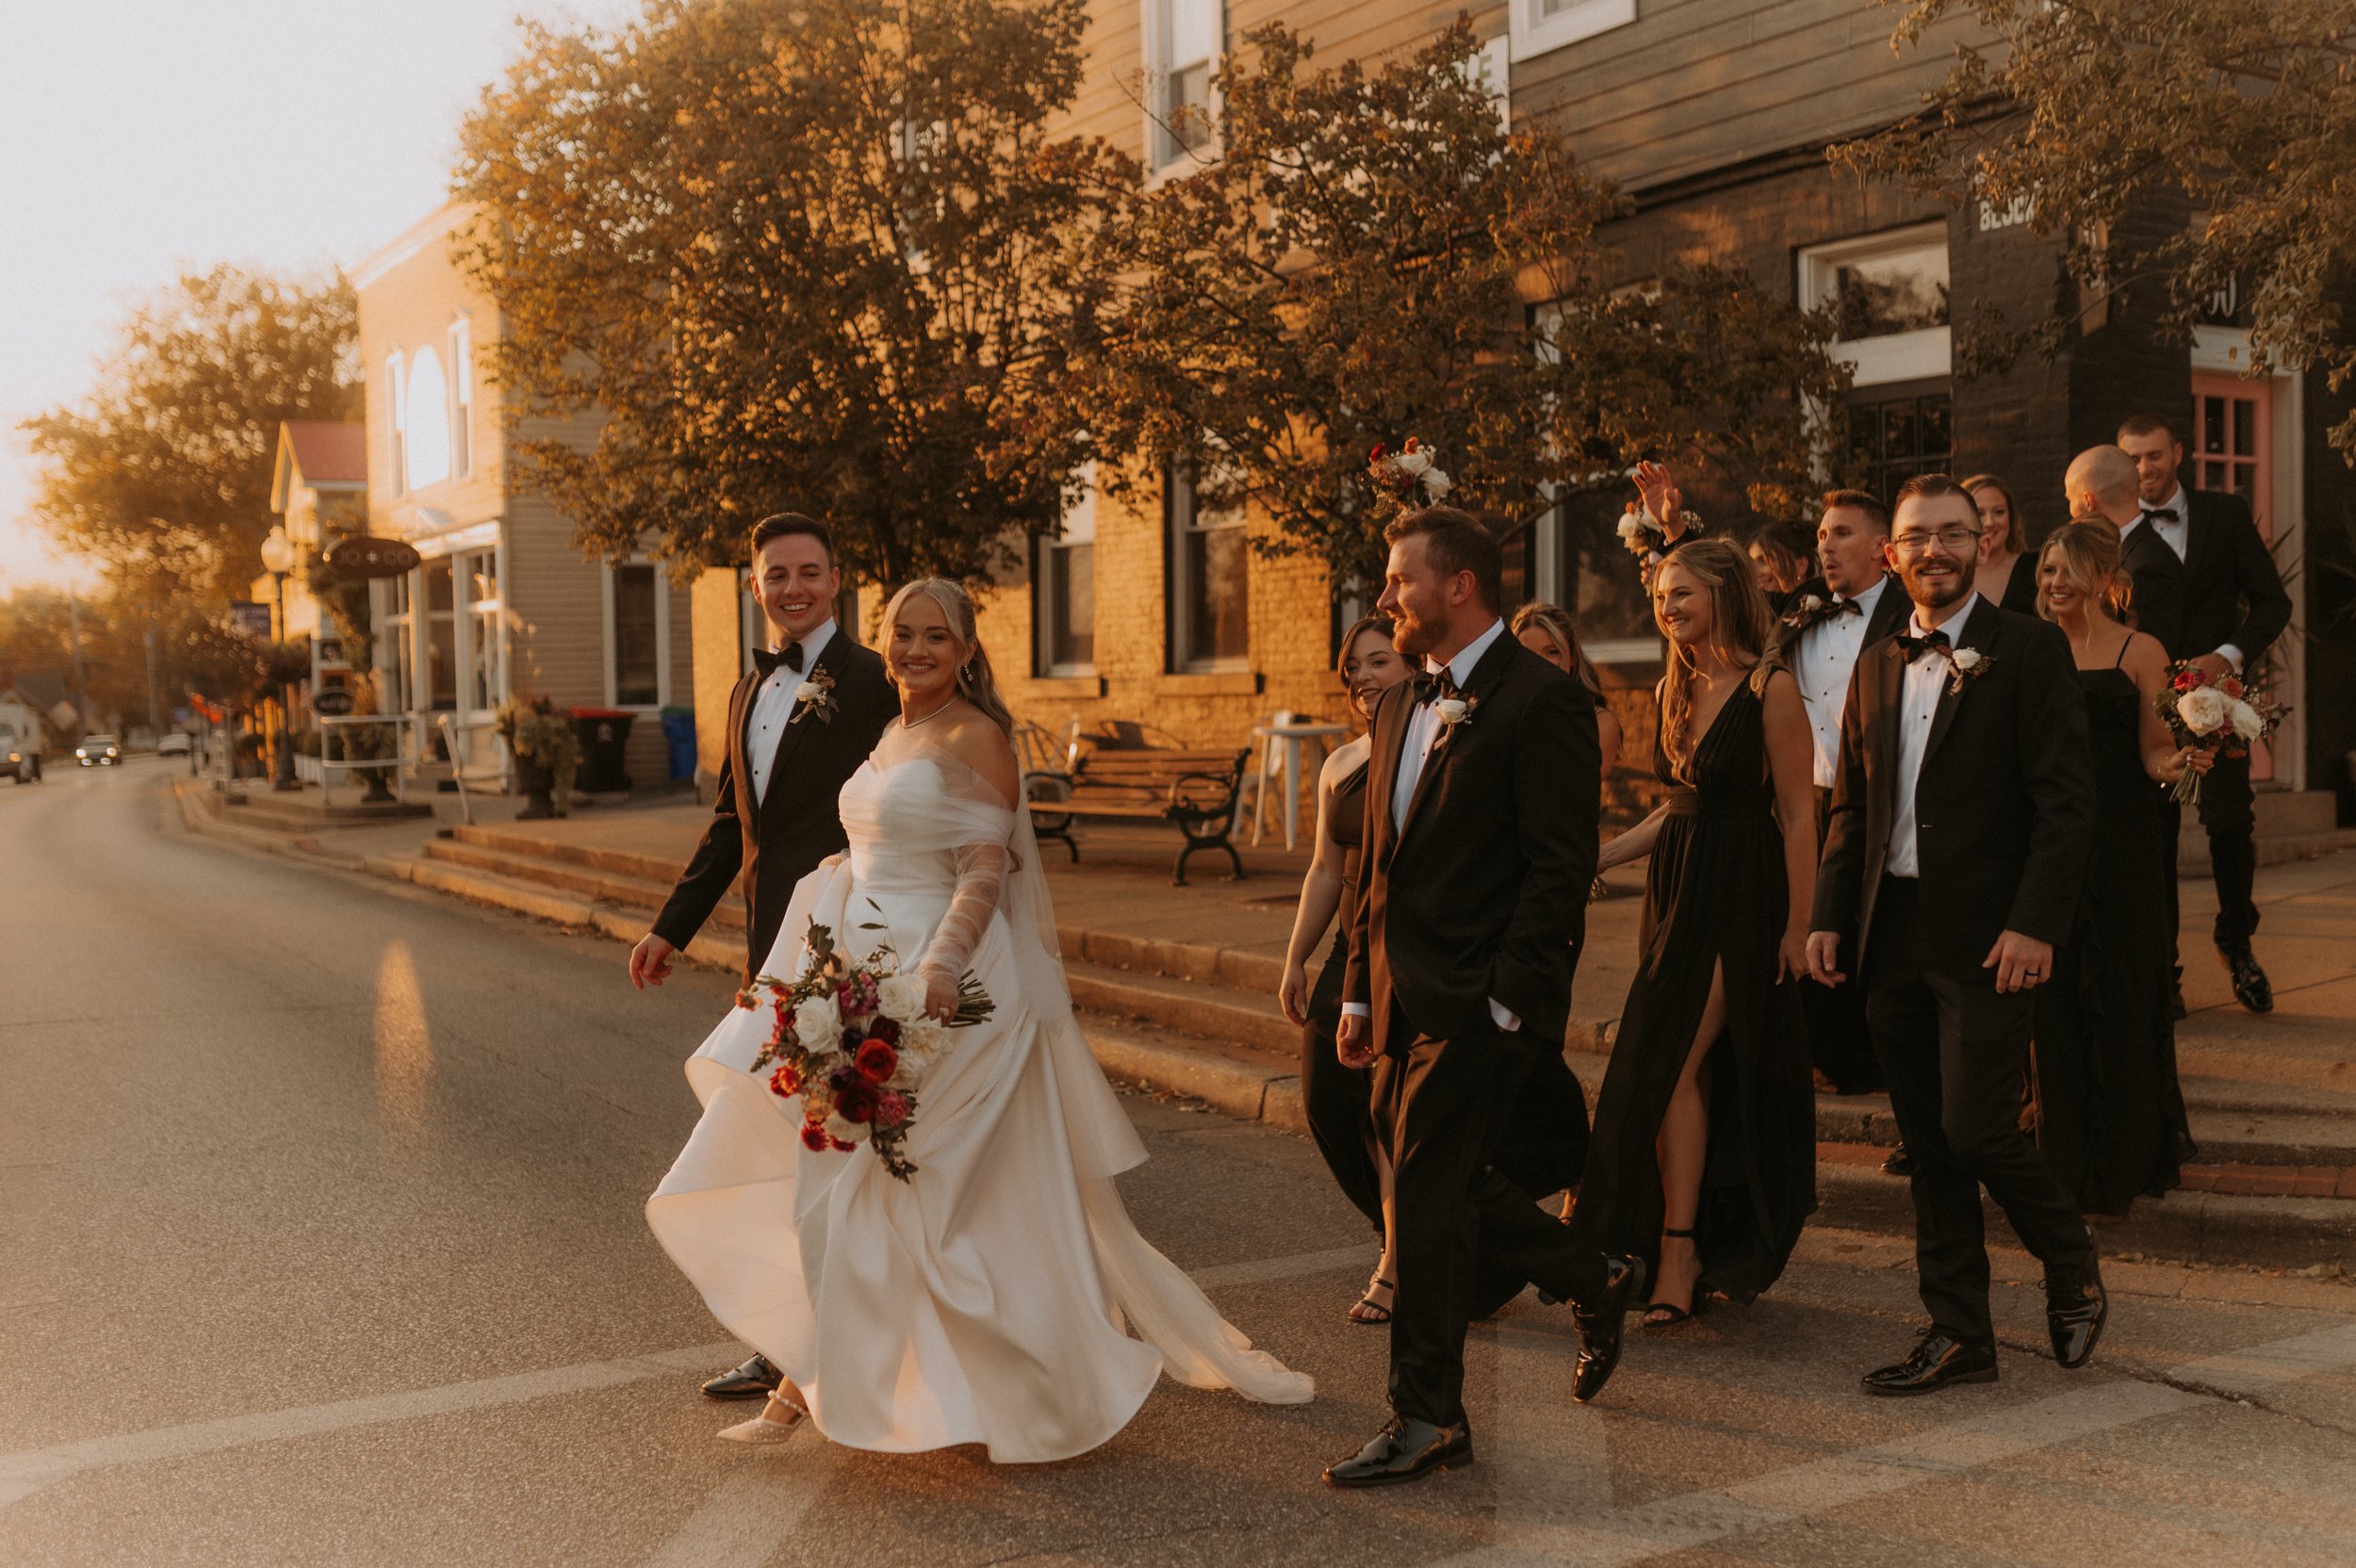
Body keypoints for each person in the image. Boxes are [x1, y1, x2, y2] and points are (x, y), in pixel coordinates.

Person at [646, 578, 1312, 1456]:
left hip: (945, 991)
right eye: (902, 633)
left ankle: (998, 1391)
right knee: (829, 1183)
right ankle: (812, 1384)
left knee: (922, 1201)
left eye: (935, 636)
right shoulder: (893, 731)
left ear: (966, 650)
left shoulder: (979, 737)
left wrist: (940, 966)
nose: (915, 649)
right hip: (854, 975)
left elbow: (984, 871)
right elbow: (877, 842)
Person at [1323, 508, 1644, 1490]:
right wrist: (1359, 993)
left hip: (1482, 1002)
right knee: (1447, 1184)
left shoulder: (1543, 702)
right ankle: (1593, 1274)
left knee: (1424, 1198)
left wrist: (1509, 1001)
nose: (1385, 596)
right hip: (1398, 994)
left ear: (1457, 586)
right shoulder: (1398, 703)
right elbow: (1377, 865)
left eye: (1399, 579)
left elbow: (1558, 869)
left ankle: (1427, 1415)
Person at [1808, 474, 2105, 1397]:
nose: (1934, 550)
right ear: (1891, 553)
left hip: (1989, 936)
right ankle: (1958, 1332)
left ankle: (2069, 1256)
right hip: (1889, 932)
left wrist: (2034, 923)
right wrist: (1828, 914)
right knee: (1928, 1145)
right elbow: (1852, 806)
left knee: (1976, 1128)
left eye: (1953, 533)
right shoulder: (1875, 662)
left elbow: (2066, 803)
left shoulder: (2028, 648)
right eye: (1917, 536)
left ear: (1980, 544)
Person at [630, 513, 897, 1403]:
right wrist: (670, 928)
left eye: (809, 572)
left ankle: (855, 1342)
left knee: (839, 1150)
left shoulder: (875, 681)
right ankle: (787, 1340)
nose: (793, 588)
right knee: (781, 1151)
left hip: (850, 950)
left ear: (836, 578)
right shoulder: (749, 687)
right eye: (776, 575)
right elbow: (730, 825)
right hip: (769, 957)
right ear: (754, 587)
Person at [1279, 617, 1588, 1326]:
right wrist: (1297, 955)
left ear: (1413, 669)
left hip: (1425, 952)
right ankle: (1409, 1234)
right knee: (1331, 1101)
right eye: (1353, 667)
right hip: (1354, 948)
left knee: (1403, 1118)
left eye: (1377, 661)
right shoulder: (1342, 763)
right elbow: (1326, 867)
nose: (1363, 676)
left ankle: (1404, 1260)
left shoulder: (1451, 737)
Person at [1573, 538, 1819, 1329]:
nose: (1667, 607)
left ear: (1723, 591)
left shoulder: (1771, 687)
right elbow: (1680, 805)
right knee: (1682, 1068)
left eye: (1681, 593)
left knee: (1672, 1060)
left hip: (1742, 894)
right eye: (1659, 597)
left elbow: (1799, 815)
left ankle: (1677, 1249)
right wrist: (1600, 857)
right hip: (1676, 890)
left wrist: (1800, 926)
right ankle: (1683, 1239)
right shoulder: (1672, 686)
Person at [2032, 523, 2210, 1217]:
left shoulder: (2142, 650)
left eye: (2067, 571)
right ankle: (2062, 1158)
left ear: (2104, 579)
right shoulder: (2029, 647)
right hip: (2048, 844)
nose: (2054, 583)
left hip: (2122, 845)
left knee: (2124, 992)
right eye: (2048, 570)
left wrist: (2180, 762)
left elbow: (2153, 751)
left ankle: (2125, 1157)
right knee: (2054, 1001)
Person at [2118, 412, 2293, 1015]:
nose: (2144, 468)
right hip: (2144, 703)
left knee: (2230, 825)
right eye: (2132, 458)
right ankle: (2164, 974)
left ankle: (2236, 941)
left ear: (2178, 454)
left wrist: (2227, 656)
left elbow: (2273, 601)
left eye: (2154, 455)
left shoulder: (2225, 514)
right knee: (2155, 839)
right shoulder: (2110, 528)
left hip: (2219, 700)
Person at [1774, 491, 1911, 1107]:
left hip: (1878, 797)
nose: (1826, 546)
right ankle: (1825, 1059)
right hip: (1804, 797)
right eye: (1823, 535)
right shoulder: (1799, 610)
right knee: (1807, 923)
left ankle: (1877, 1062)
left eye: (1842, 533)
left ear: (1883, 548)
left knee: (1868, 930)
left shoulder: (1908, 615)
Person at [1513, 601, 1623, 777]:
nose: (1539, 663)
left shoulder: (1599, 722)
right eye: (1528, 654)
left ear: (1571, 657)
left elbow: (1578, 783)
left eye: (1551, 652)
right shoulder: (1502, 713)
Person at [1963, 474, 2039, 614]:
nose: (1989, 523)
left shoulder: (2037, 569)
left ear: (2011, 517)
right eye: (1979, 513)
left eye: (1999, 512)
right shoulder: (1952, 573)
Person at [1745, 521, 1813, 615]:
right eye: (1752, 566)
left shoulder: (1822, 616)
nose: (1755, 572)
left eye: (1763, 561)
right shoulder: (1757, 616)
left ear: (1801, 566)